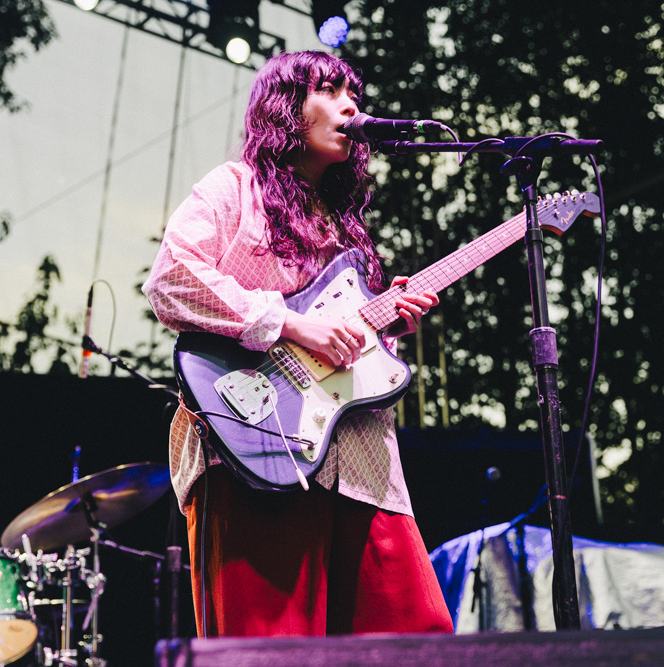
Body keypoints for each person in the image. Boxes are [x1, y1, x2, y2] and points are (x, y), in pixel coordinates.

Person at [143, 50, 454, 637]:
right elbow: (171, 280)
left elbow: (338, 352)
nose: (351, 105)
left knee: (417, 635)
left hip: (359, 457)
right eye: (331, 91)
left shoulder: (345, 225)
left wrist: (385, 325)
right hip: (250, 444)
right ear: (287, 109)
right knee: (271, 643)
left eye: (354, 95)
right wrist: (287, 321)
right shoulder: (234, 187)